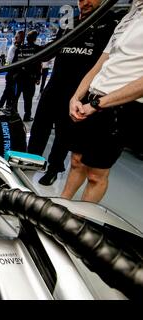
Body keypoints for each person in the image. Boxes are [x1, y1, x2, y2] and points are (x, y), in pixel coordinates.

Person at [27, 0, 118, 186]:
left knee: (64, 132)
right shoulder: (70, 22)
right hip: (54, 84)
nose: (85, 3)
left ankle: (54, 168)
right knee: (39, 126)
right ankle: (28, 162)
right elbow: (53, 48)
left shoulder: (111, 23)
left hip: (78, 90)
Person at [61, 0, 143, 203]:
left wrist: (98, 104)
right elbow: (102, 61)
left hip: (120, 106)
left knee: (96, 175)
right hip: (93, 98)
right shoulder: (131, 14)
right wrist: (77, 96)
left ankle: (80, 224)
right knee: (77, 161)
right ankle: (60, 207)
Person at [10, 30, 42, 121]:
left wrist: (13, 75)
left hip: (19, 77)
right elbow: (38, 64)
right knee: (28, 99)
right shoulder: (37, 49)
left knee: (15, 97)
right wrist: (38, 77)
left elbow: (14, 63)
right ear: (35, 39)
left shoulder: (20, 48)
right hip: (30, 79)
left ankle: (13, 115)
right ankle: (27, 116)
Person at [0, 31, 25, 108]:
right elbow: (11, 62)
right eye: (16, 37)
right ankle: (0, 107)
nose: (15, 39)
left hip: (14, 74)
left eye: (17, 37)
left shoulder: (16, 47)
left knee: (10, 93)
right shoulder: (14, 48)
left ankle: (7, 107)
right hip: (12, 74)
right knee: (8, 92)